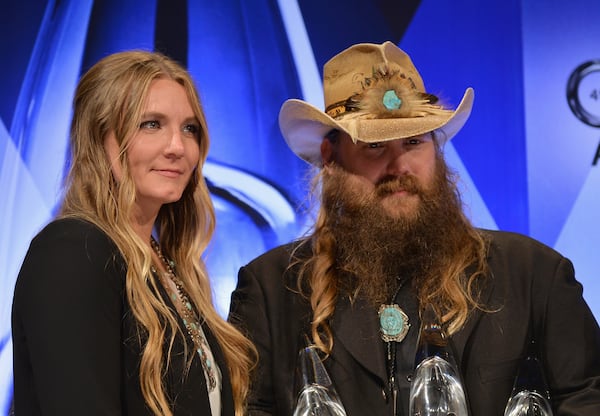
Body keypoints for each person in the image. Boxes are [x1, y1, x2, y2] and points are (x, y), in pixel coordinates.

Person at [228, 41, 600, 415]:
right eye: (374, 145)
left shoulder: (534, 275)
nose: (399, 165)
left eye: (413, 142)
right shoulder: (269, 289)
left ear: (436, 150)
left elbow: (587, 400)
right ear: (330, 157)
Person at [11, 50, 256, 415]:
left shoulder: (167, 263)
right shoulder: (74, 250)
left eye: (189, 128)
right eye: (151, 124)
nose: (178, 147)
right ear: (101, 136)